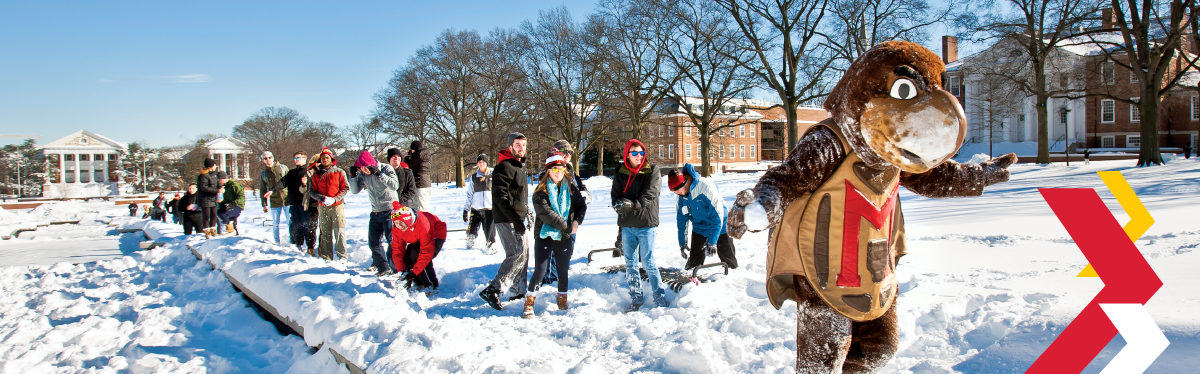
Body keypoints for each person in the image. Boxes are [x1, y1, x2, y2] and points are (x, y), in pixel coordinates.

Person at [525, 152, 587, 318]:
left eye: (561, 169)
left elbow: (581, 206)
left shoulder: (571, 188)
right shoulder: (540, 192)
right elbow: (546, 213)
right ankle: (529, 300)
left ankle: (562, 298)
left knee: (562, 269)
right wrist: (565, 226)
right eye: (554, 169)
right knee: (541, 270)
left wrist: (576, 222)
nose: (558, 173)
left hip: (565, 235)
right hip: (545, 234)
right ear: (548, 171)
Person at [612, 139, 668, 312]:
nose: (638, 156)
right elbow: (615, 193)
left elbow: (650, 194)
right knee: (630, 263)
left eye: (641, 152)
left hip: (646, 223)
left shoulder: (652, 170)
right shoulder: (620, 171)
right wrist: (618, 204)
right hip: (627, 224)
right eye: (634, 153)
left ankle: (660, 297)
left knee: (649, 262)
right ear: (627, 155)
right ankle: (636, 298)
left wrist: (633, 205)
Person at [478, 132, 531, 311]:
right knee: (518, 253)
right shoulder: (504, 167)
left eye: (523, 145)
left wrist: (526, 213)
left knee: (524, 255)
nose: (521, 148)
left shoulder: (519, 167)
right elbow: (501, 197)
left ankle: (517, 291)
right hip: (507, 219)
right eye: (517, 145)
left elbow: (519, 196)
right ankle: (494, 289)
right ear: (510, 147)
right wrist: (515, 219)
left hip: (518, 217)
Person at [669, 164, 738, 271]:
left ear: (685, 182)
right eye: (674, 191)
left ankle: (732, 276)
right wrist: (682, 242)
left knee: (727, 257)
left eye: (677, 189)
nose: (677, 193)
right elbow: (682, 219)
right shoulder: (681, 197)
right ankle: (691, 281)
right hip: (699, 227)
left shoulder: (705, 186)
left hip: (720, 224)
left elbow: (717, 214)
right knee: (694, 261)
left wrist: (712, 241)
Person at [348, 150, 400, 276]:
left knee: (393, 242)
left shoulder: (386, 168)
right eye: (361, 169)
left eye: (365, 169)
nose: (364, 171)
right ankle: (383, 268)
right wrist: (353, 177)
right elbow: (355, 191)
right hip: (376, 211)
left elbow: (395, 185)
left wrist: (380, 174)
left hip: (390, 210)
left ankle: (396, 269)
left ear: (371, 165)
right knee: (374, 242)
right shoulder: (363, 175)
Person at [390, 202, 448, 294]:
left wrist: (413, 272)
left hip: (435, 235)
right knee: (407, 256)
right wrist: (402, 271)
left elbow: (426, 253)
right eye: (396, 223)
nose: (399, 226)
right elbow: (397, 251)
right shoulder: (397, 229)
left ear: (407, 219)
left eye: (401, 222)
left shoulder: (422, 225)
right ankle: (416, 282)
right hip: (417, 237)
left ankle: (430, 284)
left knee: (418, 256)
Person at [306, 148, 349, 261]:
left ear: (331, 159)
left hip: (337, 206)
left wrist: (334, 199)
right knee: (325, 232)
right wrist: (321, 198)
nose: (325, 160)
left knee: (339, 231)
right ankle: (326, 256)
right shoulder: (316, 175)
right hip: (323, 206)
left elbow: (345, 188)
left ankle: (342, 257)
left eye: (327, 158)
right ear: (320, 160)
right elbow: (312, 191)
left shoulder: (339, 172)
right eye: (323, 158)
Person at [462, 154, 496, 254]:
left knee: (489, 232)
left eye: (483, 162)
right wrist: (466, 209)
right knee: (472, 230)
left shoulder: (493, 175)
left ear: (487, 163)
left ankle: (490, 246)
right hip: (476, 209)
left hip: (489, 209)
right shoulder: (474, 177)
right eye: (479, 162)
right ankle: (470, 243)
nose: (481, 164)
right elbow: (469, 194)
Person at [284, 151, 316, 255]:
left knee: (306, 224)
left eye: (298, 158)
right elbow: (283, 182)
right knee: (295, 225)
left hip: (305, 203)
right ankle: (296, 244)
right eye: (294, 158)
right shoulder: (291, 173)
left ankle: (309, 246)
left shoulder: (309, 172)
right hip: (293, 203)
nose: (296, 160)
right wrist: (272, 190)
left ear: (304, 159)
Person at [259, 151, 289, 243]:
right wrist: (264, 204)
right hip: (274, 200)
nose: (268, 160)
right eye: (265, 158)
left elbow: (290, 181)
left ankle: (293, 240)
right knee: (275, 223)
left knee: (290, 221)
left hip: (286, 198)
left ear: (273, 158)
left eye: (269, 157)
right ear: (263, 160)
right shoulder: (264, 174)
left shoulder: (283, 168)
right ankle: (277, 242)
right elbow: (262, 190)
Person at [404, 141, 433, 211]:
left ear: (413, 149)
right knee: (425, 207)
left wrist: (406, 157)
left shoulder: (417, 156)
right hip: (427, 183)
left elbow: (407, 167)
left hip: (419, 184)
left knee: (420, 209)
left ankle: (421, 221)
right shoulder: (427, 156)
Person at [196, 159, 221, 238]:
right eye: (214, 165)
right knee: (206, 215)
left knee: (214, 215)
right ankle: (207, 231)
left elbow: (218, 183)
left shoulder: (215, 175)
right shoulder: (203, 176)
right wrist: (217, 190)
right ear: (211, 166)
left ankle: (213, 229)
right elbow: (204, 187)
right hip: (205, 199)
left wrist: (221, 187)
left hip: (213, 198)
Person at [218, 171, 245, 235]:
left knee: (221, 213)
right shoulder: (226, 186)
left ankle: (230, 230)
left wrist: (234, 203)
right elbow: (228, 198)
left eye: (219, 180)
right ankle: (234, 235)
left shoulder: (234, 185)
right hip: (230, 205)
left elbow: (241, 196)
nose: (218, 182)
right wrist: (222, 203)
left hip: (237, 206)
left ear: (222, 179)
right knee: (232, 220)